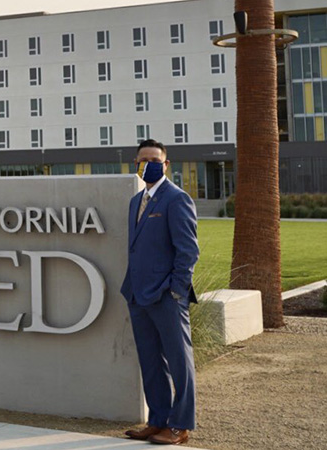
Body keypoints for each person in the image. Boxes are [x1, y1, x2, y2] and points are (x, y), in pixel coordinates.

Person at [120, 139, 198, 445]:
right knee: (151, 361)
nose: (149, 164)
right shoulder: (135, 201)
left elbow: (188, 251)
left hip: (166, 296)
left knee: (180, 363)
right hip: (138, 295)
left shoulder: (176, 199)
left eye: (155, 159)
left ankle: (180, 425)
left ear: (166, 165)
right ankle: (158, 420)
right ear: (136, 164)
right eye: (143, 159)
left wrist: (176, 291)